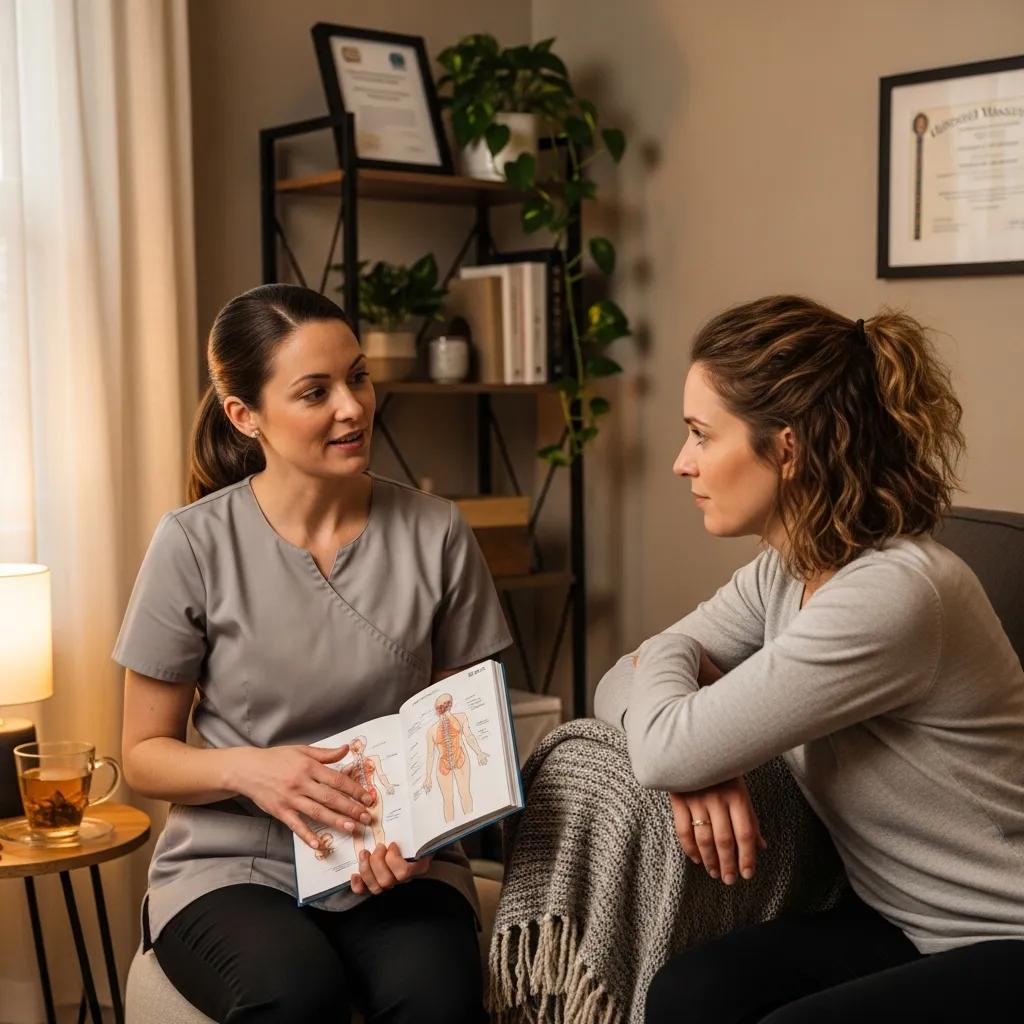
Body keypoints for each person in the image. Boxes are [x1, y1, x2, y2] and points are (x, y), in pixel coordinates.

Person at [593, 295, 1024, 1023]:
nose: (680, 462)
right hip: (904, 921)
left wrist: (688, 746)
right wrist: (697, 752)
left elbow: (665, 744)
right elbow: (624, 676)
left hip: (1003, 934)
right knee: (689, 995)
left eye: (702, 435)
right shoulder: (789, 570)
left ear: (786, 449)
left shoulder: (892, 595)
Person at [116, 284, 511, 1023]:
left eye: (358, 376)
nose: (352, 407)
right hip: (233, 864)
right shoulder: (193, 543)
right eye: (315, 391)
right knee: (295, 997)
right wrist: (251, 770)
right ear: (246, 416)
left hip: (400, 862)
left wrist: (424, 838)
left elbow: (469, 735)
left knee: (437, 998)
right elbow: (142, 754)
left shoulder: (438, 532)